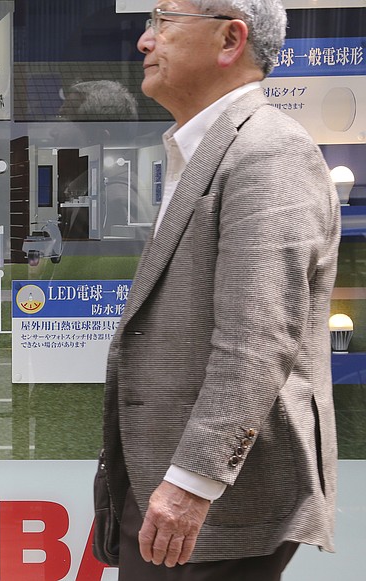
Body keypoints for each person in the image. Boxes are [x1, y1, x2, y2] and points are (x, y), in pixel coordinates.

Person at [98, 1, 339, 579]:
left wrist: (191, 484)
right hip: (177, 486)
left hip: (217, 507)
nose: (144, 41)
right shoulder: (206, 148)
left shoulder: (268, 151)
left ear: (230, 39)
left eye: (163, 22)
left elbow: (258, 338)